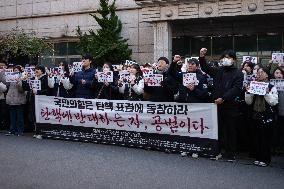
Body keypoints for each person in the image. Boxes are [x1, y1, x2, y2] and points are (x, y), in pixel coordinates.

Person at [199, 48, 244, 161]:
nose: (225, 59)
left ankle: (231, 153)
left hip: (230, 105)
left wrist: (224, 98)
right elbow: (205, 68)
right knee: (217, 129)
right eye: (224, 57)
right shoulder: (219, 70)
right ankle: (217, 150)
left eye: (228, 57)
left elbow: (236, 89)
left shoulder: (238, 73)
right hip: (216, 105)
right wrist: (202, 56)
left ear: (233, 59)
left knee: (231, 129)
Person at [245, 67, 278, 167]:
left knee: (265, 138)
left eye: (261, 72)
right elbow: (249, 102)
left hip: (267, 115)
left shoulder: (272, 86)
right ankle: (258, 157)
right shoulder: (254, 85)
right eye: (257, 73)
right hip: (256, 114)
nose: (258, 74)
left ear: (267, 75)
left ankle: (265, 159)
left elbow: (273, 102)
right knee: (257, 137)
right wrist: (248, 92)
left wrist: (266, 93)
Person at [22, 65, 49, 139]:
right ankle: (36, 131)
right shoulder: (33, 78)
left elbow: (47, 90)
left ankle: (41, 132)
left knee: (40, 116)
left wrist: (38, 91)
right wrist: (24, 80)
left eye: (38, 69)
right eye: (35, 69)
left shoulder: (45, 78)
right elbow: (26, 88)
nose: (36, 71)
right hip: (33, 99)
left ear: (42, 71)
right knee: (34, 115)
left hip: (41, 100)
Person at [5, 66, 26, 136]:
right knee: (12, 116)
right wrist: (6, 78)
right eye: (14, 70)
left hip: (19, 99)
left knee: (19, 116)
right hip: (11, 99)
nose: (15, 71)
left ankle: (20, 130)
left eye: (16, 70)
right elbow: (6, 87)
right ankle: (12, 130)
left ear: (20, 71)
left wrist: (18, 82)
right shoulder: (10, 77)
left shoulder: (23, 77)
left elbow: (22, 89)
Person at [272, 67, 284, 152]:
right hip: (273, 111)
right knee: (275, 130)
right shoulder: (271, 84)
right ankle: (275, 147)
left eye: (280, 73)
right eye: (276, 73)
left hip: (282, 110)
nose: (278, 75)